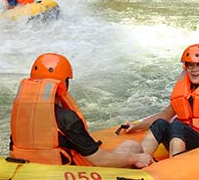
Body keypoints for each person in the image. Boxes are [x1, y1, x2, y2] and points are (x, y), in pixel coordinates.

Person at [10, 53, 153, 169]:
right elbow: (99, 160)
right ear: (63, 83)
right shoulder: (67, 118)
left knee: (129, 146)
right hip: (65, 170)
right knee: (132, 146)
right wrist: (136, 158)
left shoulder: (21, 114)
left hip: (28, 167)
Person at [122, 44, 199, 157]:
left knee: (177, 125)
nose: (194, 70)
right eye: (190, 65)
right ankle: (139, 159)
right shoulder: (184, 90)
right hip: (182, 136)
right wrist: (137, 126)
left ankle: (175, 165)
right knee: (160, 124)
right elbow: (164, 115)